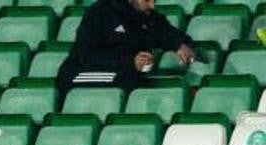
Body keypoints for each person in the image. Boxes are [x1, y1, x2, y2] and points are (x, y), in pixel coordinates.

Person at [56, 0, 196, 95]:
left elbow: (170, 34)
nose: (152, 6)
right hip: (78, 73)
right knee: (128, 78)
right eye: (147, 0)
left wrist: (180, 45)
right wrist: (130, 62)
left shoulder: (150, 18)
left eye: (154, 0)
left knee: (135, 79)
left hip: (123, 73)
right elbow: (85, 55)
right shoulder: (99, 13)